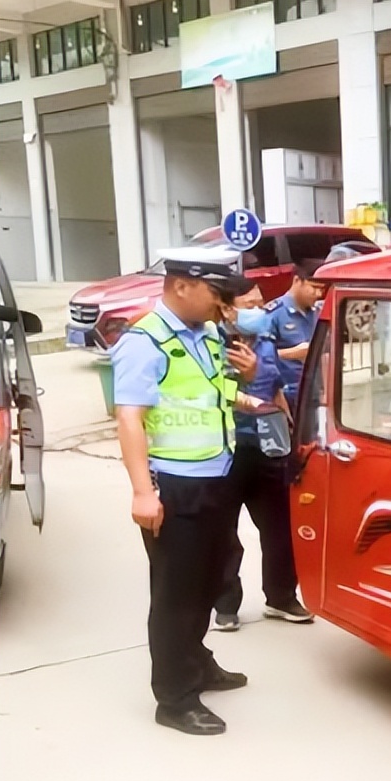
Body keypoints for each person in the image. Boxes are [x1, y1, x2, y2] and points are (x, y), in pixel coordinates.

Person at [110, 249, 264, 736]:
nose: (224, 305)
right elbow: (129, 417)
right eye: (217, 293)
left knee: (208, 581)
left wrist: (246, 385)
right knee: (176, 594)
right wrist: (142, 492)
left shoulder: (207, 334)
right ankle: (175, 698)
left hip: (217, 476)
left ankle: (197, 661)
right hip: (174, 486)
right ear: (181, 286)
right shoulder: (145, 341)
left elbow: (205, 391)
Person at [212, 286, 313, 630]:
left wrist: (291, 432)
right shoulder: (210, 343)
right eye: (250, 304)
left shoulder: (265, 337)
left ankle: (281, 597)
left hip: (268, 445)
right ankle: (226, 604)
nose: (259, 309)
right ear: (228, 310)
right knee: (224, 533)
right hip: (227, 449)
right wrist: (247, 379)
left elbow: (276, 386)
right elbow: (212, 391)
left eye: (260, 302)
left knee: (280, 528)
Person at [266, 257, 327, 411]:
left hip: (313, 393)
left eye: (321, 289)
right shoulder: (274, 314)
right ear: (297, 281)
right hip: (286, 397)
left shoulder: (316, 313)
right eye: (314, 287)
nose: (318, 294)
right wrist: (292, 353)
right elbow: (259, 357)